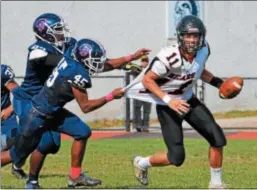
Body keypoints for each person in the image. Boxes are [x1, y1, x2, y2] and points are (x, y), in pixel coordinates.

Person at [3, 12, 150, 189]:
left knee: (61, 139)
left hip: (49, 102)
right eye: (57, 30)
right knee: (29, 147)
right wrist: (111, 93)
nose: (62, 33)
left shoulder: (70, 50)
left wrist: (128, 59)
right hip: (29, 100)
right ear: (44, 32)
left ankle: (68, 177)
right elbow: (80, 70)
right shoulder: (38, 51)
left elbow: (94, 62)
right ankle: (28, 176)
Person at [125, 15, 239, 189]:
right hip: (168, 105)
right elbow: (148, 80)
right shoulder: (168, 57)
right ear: (180, 36)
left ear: (202, 37)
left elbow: (199, 69)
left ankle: (216, 184)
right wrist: (169, 100)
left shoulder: (204, 50)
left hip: (188, 99)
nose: (192, 40)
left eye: (195, 36)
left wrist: (218, 83)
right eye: (188, 35)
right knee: (176, 158)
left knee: (217, 138)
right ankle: (142, 163)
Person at [1, 64, 27, 179]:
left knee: (24, 140)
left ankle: (16, 167)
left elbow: (20, 94)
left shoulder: (2, 72)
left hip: (5, 118)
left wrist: (10, 109)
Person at [132, 56, 152, 132]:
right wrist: (138, 69)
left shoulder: (151, 69)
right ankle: (138, 125)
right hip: (138, 92)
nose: (144, 63)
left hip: (148, 92)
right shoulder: (137, 69)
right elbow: (132, 71)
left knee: (147, 110)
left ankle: (145, 126)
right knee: (137, 108)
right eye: (143, 61)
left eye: (146, 61)